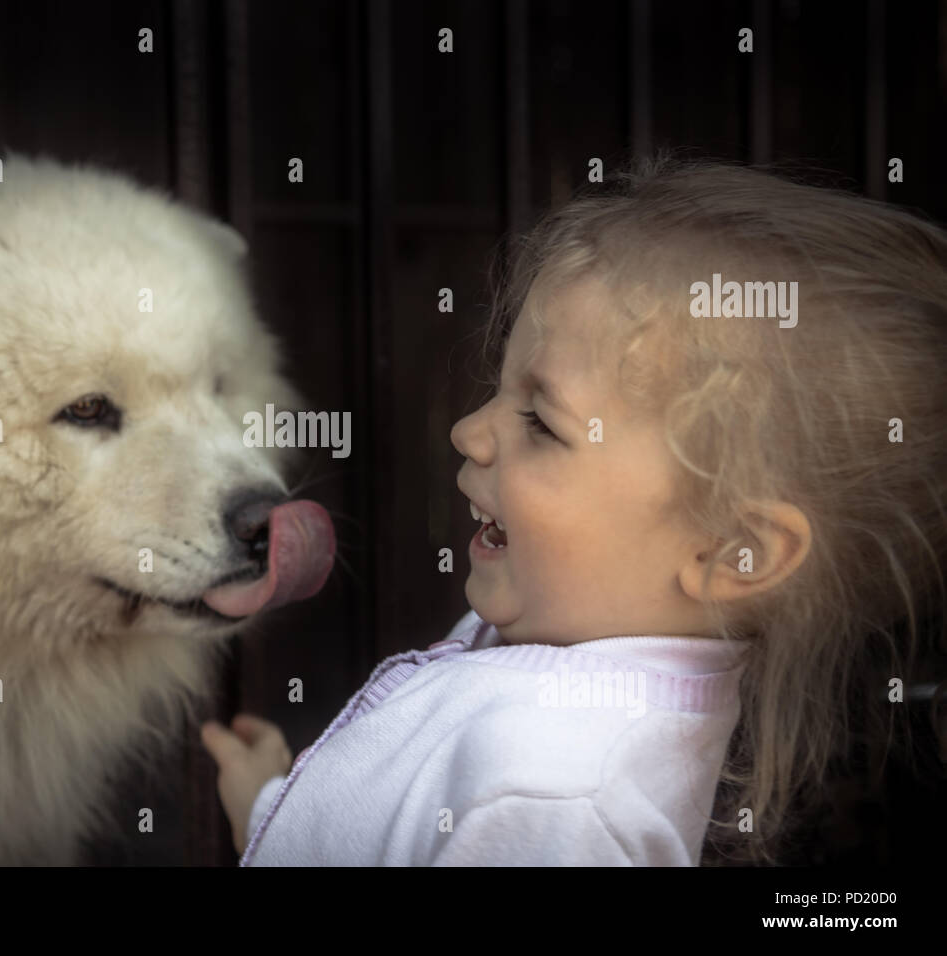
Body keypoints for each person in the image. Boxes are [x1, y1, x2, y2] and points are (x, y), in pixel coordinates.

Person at [202, 156, 947, 866]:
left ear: (733, 552)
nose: (468, 432)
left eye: (542, 423)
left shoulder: (556, 796)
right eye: (502, 389)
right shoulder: (567, 640)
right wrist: (275, 811)